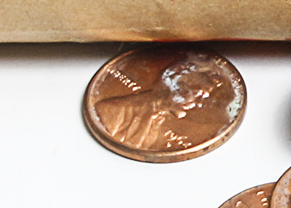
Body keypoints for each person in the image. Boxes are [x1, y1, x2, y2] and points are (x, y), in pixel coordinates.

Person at [96, 55, 234, 148]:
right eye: (198, 94)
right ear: (176, 83)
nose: (199, 103)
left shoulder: (159, 123)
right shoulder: (111, 110)